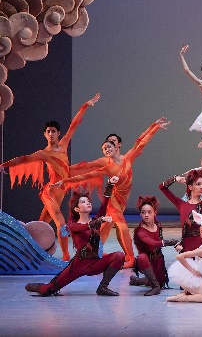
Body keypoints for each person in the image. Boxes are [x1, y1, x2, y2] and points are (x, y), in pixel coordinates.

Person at [52, 117, 171, 267]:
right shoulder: (107, 167)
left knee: (105, 228)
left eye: (109, 146)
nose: (107, 149)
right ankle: (131, 258)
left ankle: (92, 252)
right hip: (114, 199)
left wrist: (155, 126)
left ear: (116, 147)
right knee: (122, 227)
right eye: (104, 148)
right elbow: (86, 174)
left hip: (123, 200)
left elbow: (141, 142)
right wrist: (65, 179)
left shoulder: (128, 158)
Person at [0, 92, 99, 259]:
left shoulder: (64, 144)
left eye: (53, 131)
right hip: (50, 192)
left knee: (41, 225)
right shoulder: (44, 153)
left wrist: (86, 106)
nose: (51, 134)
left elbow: (74, 124)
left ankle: (28, 251)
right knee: (61, 223)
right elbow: (24, 159)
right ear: (45, 134)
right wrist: (5, 164)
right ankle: (66, 257)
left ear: (58, 133)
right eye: (48, 131)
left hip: (60, 192)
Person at [24, 176, 124, 297]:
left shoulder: (95, 221)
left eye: (88, 201)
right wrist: (100, 220)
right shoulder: (73, 225)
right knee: (48, 290)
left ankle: (103, 287)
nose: (87, 203)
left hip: (94, 264)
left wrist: (110, 185)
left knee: (119, 256)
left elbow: (104, 204)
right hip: (78, 266)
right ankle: (39, 287)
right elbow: (85, 227)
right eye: (83, 202)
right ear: (77, 209)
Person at [130, 195, 172, 295]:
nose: (146, 215)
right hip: (146, 262)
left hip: (158, 261)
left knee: (160, 282)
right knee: (142, 257)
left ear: (155, 213)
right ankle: (155, 287)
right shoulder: (140, 231)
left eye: (149, 212)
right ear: (140, 214)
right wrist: (171, 242)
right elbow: (153, 243)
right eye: (143, 212)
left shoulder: (158, 226)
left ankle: (137, 281)